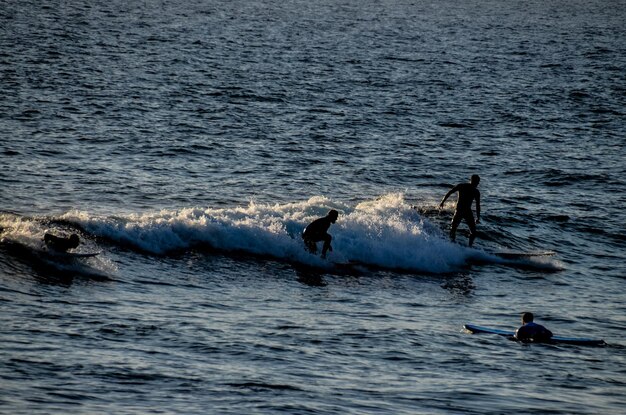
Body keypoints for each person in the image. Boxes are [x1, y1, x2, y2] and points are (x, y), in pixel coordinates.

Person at [439, 174, 481, 247]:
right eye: (477, 182)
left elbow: (478, 205)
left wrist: (478, 217)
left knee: (473, 232)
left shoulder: (476, 192)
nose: (478, 184)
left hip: (468, 211)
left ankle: (470, 246)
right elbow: (450, 192)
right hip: (459, 210)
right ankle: (452, 243)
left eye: (478, 182)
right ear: (472, 181)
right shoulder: (462, 186)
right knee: (453, 227)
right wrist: (442, 202)